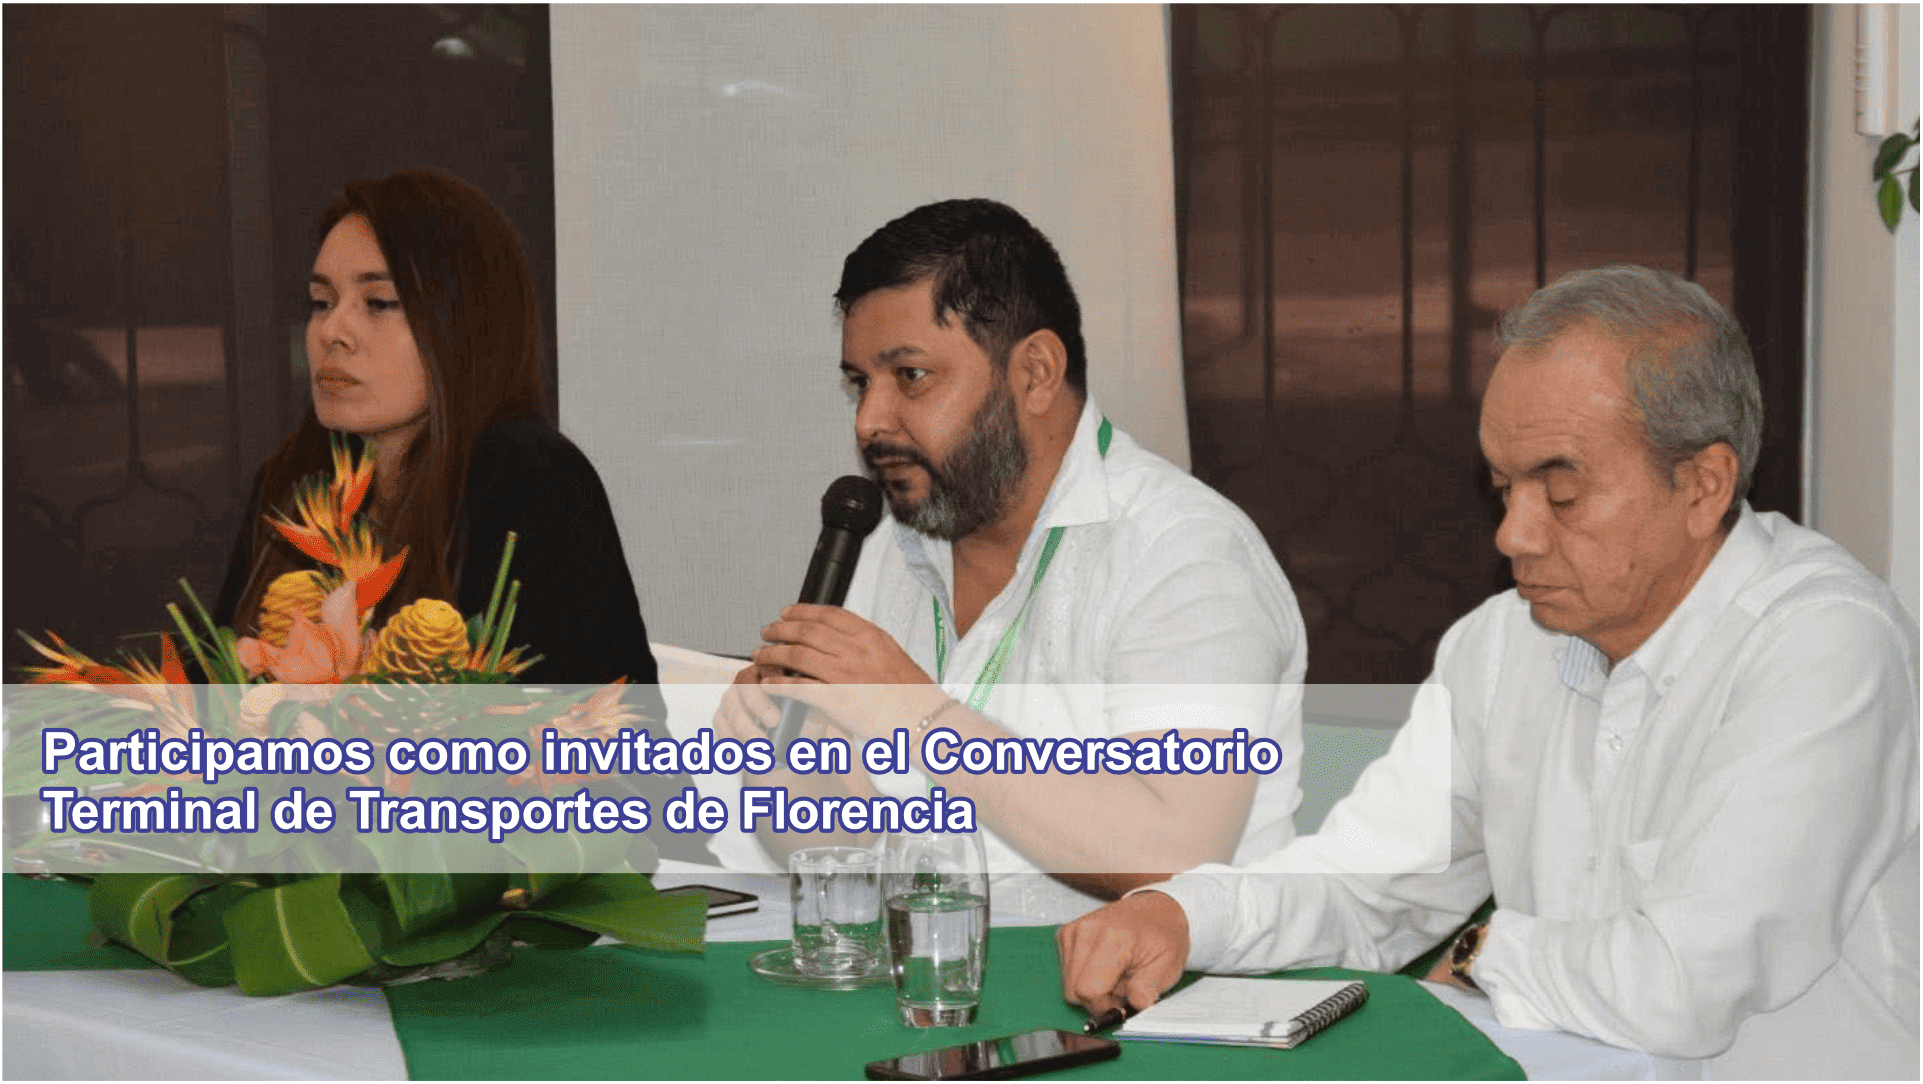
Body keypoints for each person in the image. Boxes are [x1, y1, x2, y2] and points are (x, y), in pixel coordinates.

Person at [1057, 265, 1918, 1078]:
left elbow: (1685, 983)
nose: (1513, 535)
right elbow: (1369, 886)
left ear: (1701, 485)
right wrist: (1182, 913)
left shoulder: (1824, 643)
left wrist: (1477, 950)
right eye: (1503, 488)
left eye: (1561, 494)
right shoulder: (1502, 643)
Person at [718, 199, 1308, 921]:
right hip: (935, 971)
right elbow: (842, 845)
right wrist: (786, 763)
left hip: (1160, 989)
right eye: (859, 383)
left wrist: (918, 717)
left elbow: (1175, 849)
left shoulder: (1183, 551)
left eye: (910, 376)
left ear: (1034, 372)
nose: (869, 420)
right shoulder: (890, 544)